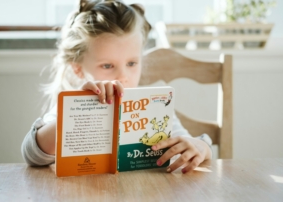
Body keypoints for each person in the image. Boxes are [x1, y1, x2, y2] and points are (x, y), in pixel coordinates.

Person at [21, 0, 212, 174]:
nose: (123, 76)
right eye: (107, 65)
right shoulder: (74, 106)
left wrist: (202, 147)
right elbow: (32, 155)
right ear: (78, 69)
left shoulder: (155, 108)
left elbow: (192, 146)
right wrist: (74, 113)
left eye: (131, 63)